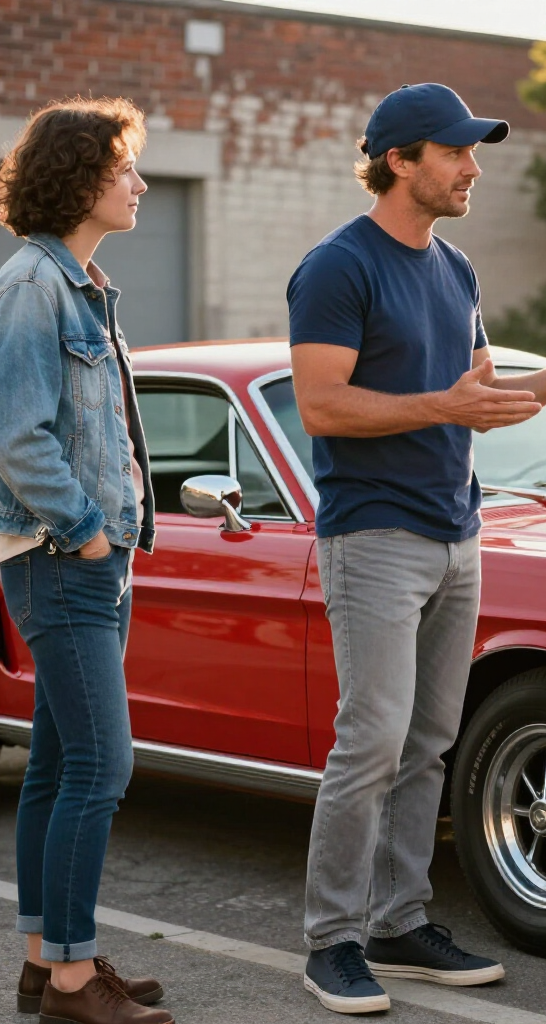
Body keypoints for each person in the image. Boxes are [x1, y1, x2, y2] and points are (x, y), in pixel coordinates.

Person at [288, 82, 546, 1015]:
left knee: (430, 743)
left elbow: (481, 400)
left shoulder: (456, 270)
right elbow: (322, 405)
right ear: (400, 159)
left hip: (457, 534)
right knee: (369, 741)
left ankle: (401, 920)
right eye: (454, 151)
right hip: (374, 539)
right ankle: (333, 940)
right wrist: (442, 403)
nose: (472, 167)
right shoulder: (337, 267)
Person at [0, 99, 167, 1023]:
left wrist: (118, 536)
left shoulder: (84, 285)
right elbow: (18, 437)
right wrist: (88, 531)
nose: (140, 184)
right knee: (104, 766)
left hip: (92, 560)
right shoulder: (34, 286)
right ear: (80, 176)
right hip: (64, 556)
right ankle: (71, 982)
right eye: (126, 168)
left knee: (61, 770)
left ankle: (42, 962)